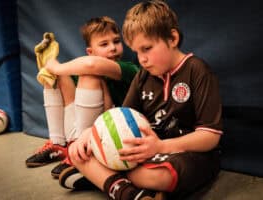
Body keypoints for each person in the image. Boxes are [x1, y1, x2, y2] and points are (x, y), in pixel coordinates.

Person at [60, 1, 223, 199]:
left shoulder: (197, 70)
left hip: (185, 152)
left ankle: (109, 181)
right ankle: (132, 193)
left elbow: (210, 137)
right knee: (79, 154)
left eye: (146, 48)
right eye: (136, 52)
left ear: (172, 38)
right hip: (146, 152)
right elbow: (119, 116)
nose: (141, 59)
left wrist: (161, 147)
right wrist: (89, 133)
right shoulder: (143, 75)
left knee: (157, 175)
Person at [25, 16, 139, 179]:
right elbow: (82, 67)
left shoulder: (130, 69)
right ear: (90, 52)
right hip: (83, 131)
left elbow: (91, 65)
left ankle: (83, 154)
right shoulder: (85, 66)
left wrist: (55, 65)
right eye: (104, 44)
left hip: (111, 136)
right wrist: (49, 66)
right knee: (53, 77)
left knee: (89, 76)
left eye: (116, 41)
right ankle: (58, 144)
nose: (113, 48)